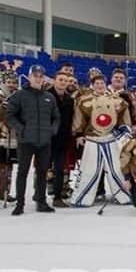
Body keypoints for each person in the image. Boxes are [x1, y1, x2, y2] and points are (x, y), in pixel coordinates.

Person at [6, 65, 60, 215]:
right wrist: (21, 129)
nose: (38, 78)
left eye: (41, 76)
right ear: (29, 77)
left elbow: (56, 117)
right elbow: (10, 115)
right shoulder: (19, 95)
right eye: (35, 75)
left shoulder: (49, 97)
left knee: (42, 172)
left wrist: (52, 130)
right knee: (22, 172)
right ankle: (20, 204)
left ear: (43, 78)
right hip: (26, 141)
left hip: (44, 141)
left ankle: (41, 202)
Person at [69, 75, 131, 208]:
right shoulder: (84, 101)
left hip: (111, 139)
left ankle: (124, 194)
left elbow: (124, 113)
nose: (99, 86)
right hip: (92, 139)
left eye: (102, 83)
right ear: (92, 85)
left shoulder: (116, 100)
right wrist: (79, 134)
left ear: (105, 84)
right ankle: (82, 197)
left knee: (117, 168)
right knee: (90, 169)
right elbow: (79, 118)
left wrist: (124, 129)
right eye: (97, 83)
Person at [48, 72, 74, 208]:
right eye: (61, 80)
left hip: (62, 139)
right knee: (42, 168)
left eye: (65, 80)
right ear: (54, 80)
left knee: (59, 169)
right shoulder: (46, 95)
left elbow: (70, 120)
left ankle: (57, 197)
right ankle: (39, 195)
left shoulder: (70, 100)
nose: (63, 82)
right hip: (46, 138)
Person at [0, 64, 19, 204]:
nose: (11, 85)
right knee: (1, 164)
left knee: (9, 164)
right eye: (9, 82)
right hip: (2, 135)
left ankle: (6, 190)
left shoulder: (17, 95)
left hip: (13, 136)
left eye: (13, 82)